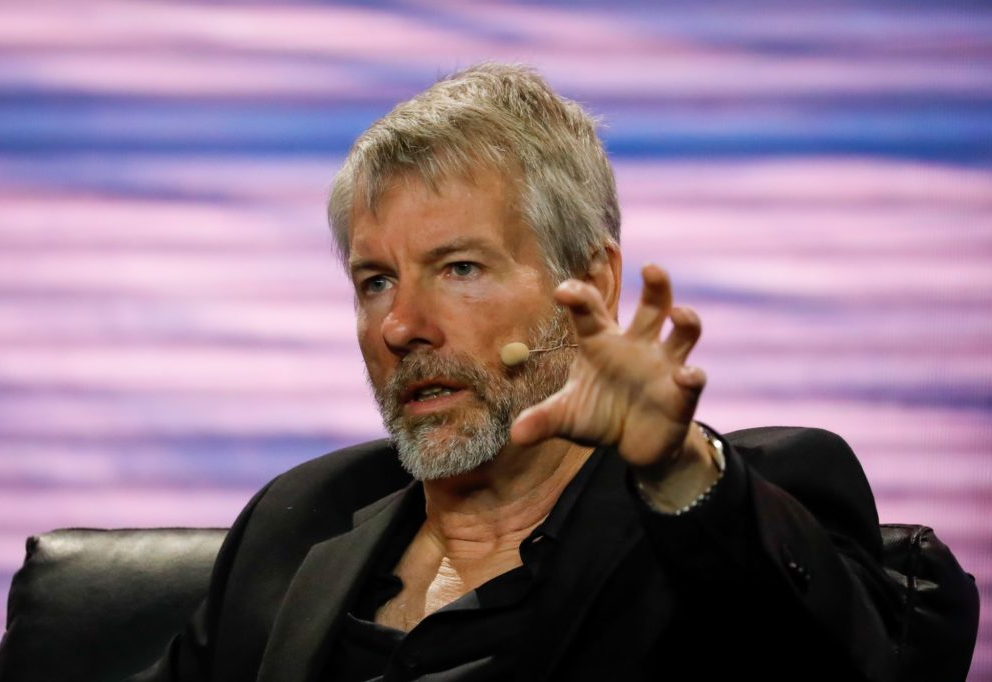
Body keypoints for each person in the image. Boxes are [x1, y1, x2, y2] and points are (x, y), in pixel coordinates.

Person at [133, 63, 900, 682]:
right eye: (376, 282)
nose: (401, 325)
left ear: (590, 283)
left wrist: (678, 472)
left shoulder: (726, 508)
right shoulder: (301, 520)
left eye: (460, 268)